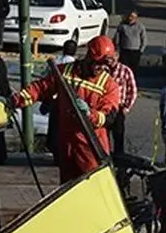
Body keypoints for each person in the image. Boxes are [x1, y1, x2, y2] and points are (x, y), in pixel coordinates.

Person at [13, 35, 121, 183]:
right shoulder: (64, 72)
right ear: (89, 57)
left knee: (94, 188)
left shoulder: (109, 85)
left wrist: (91, 114)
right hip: (67, 145)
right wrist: (15, 101)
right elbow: (41, 88)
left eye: (105, 65)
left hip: (91, 147)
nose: (101, 68)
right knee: (67, 188)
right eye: (98, 64)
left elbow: (109, 116)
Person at [109, 48, 137, 156]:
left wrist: (127, 107)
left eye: (112, 58)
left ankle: (119, 158)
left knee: (118, 135)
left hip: (118, 107)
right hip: (104, 107)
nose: (110, 61)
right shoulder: (104, 69)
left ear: (117, 56)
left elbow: (132, 90)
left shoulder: (125, 71)